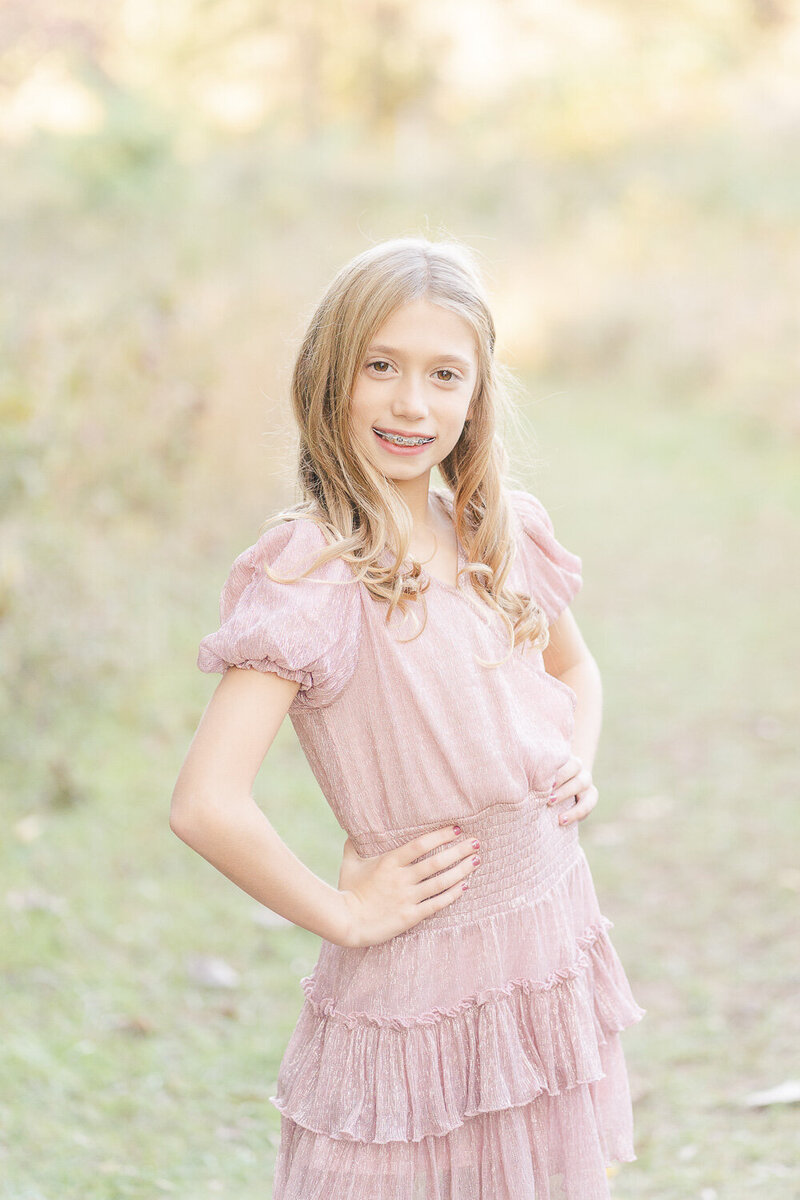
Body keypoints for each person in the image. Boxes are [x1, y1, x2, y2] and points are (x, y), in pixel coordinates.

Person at [170, 236, 646, 1199]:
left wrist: (576, 759)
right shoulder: (312, 569)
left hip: (546, 930)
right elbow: (206, 803)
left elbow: (579, 669)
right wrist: (346, 912)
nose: (409, 403)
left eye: (443, 375)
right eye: (379, 367)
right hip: (420, 978)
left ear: (476, 397)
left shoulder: (494, 526)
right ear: (328, 378)